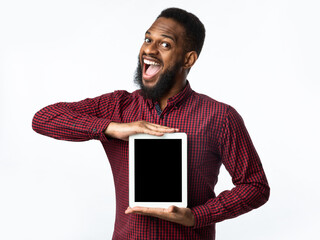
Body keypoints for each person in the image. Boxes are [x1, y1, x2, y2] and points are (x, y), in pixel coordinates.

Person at [32, 7, 270, 240]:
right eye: (148, 39)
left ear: (189, 58)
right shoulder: (119, 107)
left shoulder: (219, 116)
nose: (150, 50)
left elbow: (255, 186)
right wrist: (113, 128)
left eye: (165, 44)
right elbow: (43, 118)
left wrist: (197, 216)